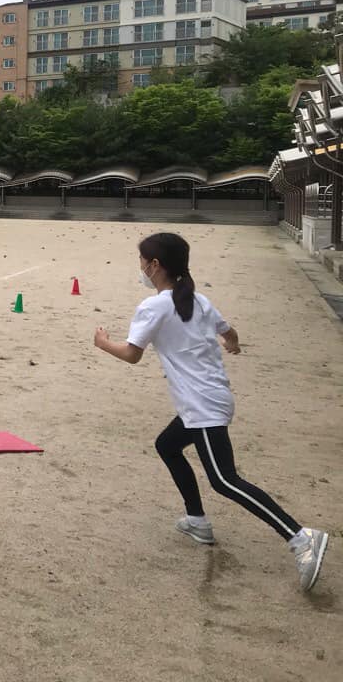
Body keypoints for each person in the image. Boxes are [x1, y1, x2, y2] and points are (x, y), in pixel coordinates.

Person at [93, 232, 329, 592]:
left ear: (155, 265)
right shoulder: (199, 300)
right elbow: (229, 332)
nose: (139, 267)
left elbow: (132, 354)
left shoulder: (155, 306)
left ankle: (300, 536)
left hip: (202, 404)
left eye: (142, 260)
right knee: (167, 446)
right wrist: (231, 343)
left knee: (224, 480)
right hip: (211, 398)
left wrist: (103, 342)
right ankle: (197, 520)